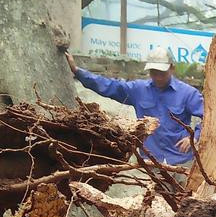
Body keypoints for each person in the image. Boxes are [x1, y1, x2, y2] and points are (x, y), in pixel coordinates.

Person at [65, 47, 203, 166]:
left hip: (181, 161)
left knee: (185, 196)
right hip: (151, 161)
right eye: (154, 73)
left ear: (172, 68)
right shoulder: (138, 90)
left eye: (162, 73)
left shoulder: (188, 93)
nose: (158, 77)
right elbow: (109, 86)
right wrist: (78, 72)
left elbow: (211, 116)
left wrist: (195, 137)